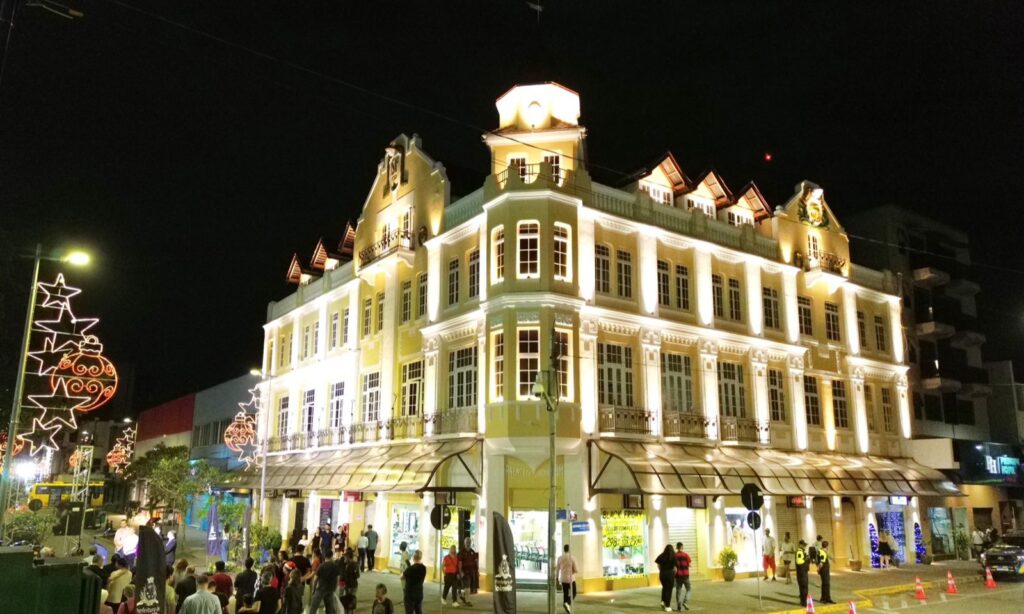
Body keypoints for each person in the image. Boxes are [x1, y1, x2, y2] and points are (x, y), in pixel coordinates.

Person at [308, 550, 340, 614]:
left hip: (321, 588)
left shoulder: (321, 566)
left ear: (325, 556)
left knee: (314, 606)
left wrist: (314, 589)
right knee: (329, 607)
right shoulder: (335, 566)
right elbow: (338, 578)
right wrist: (335, 587)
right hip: (331, 589)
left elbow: (316, 579)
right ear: (331, 556)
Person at [556, 544, 579, 613]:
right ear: (569, 549)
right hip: (571, 579)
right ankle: (567, 603)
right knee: (574, 592)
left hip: (563, 579)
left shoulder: (560, 558)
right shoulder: (572, 558)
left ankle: (567, 607)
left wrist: (557, 578)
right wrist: (572, 572)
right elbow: (576, 570)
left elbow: (557, 569)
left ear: (564, 549)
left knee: (565, 593)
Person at [402, 550, 427, 614]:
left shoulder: (410, 569)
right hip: (419, 593)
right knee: (419, 611)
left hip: (410, 594)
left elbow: (402, 577)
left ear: (414, 558)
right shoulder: (424, 568)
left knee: (409, 612)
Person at [655, 544, 677, 612]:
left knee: (664, 587)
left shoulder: (661, 555)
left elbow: (658, 565)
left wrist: (662, 571)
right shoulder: (674, 556)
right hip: (670, 574)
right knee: (669, 590)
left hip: (662, 574)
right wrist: (674, 574)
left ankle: (663, 601)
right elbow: (675, 568)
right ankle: (667, 606)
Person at [673, 542, 692, 611]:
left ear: (677, 547)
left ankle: (679, 606)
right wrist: (687, 565)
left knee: (678, 591)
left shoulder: (674, 555)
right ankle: (685, 602)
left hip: (678, 576)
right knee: (689, 589)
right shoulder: (685, 555)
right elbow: (689, 564)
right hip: (685, 575)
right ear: (682, 547)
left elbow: (673, 565)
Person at [817, 540, 833, 604]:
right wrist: (818, 569)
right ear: (827, 546)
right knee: (826, 584)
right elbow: (821, 562)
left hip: (824, 570)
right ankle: (825, 599)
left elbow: (830, 557)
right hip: (824, 570)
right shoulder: (823, 552)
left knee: (825, 584)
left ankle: (825, 598)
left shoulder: (821, 551)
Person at [795, 540, 810, 607]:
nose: (805, 546)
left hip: (803, 571)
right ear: (800, 545)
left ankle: (803, 601)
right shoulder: (799, 552)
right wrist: (806, 559)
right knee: (804, 587)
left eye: (805, 545)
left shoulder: (802, 552)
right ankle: (804, 602)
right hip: (802, 572)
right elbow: (799, 562)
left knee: (804, 587)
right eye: (804, 545)